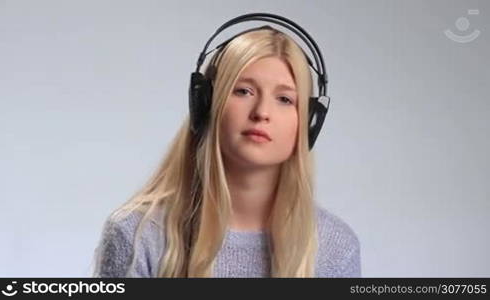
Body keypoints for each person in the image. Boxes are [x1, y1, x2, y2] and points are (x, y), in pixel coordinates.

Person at [91, 15, 361, 278]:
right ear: (206, 105)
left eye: (284, 99)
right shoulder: (137, 235)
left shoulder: (335, 249)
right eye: (244, 91)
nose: (262, 112)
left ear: (308, 123)